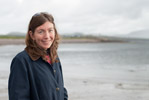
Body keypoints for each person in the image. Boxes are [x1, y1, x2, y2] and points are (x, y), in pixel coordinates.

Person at [8, 12, 68, 100]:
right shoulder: (21, 61)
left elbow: (61, 89)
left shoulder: (54, 57)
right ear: (32, 35)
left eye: (50, 30)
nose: (47, 36)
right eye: (41, 31)